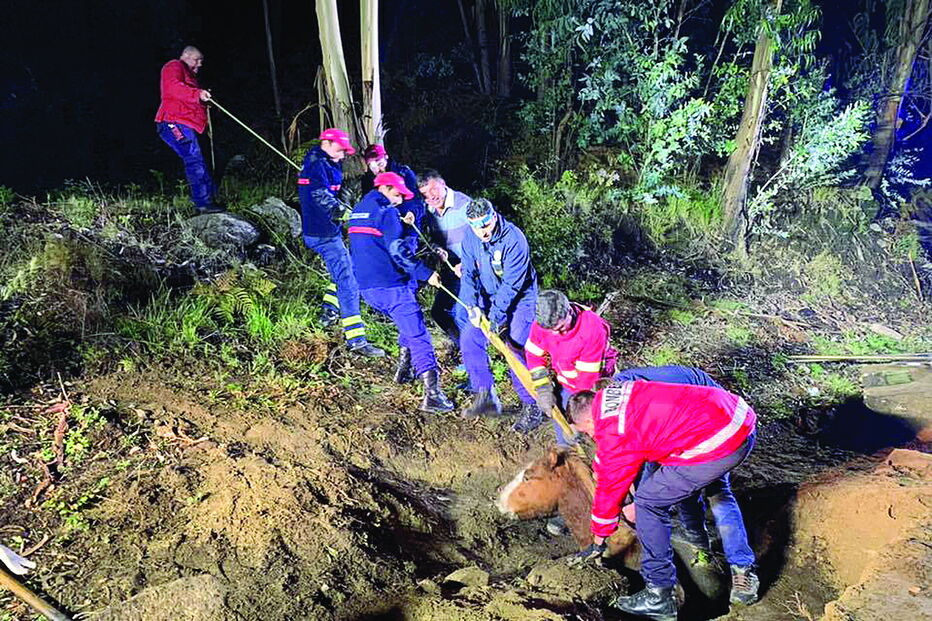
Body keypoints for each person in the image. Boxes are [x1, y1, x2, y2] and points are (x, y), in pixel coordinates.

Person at [567, 380, 759, 620]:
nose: (590, 436)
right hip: (733, 416)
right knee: (679, 486)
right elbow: (625, 449)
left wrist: (598, 538)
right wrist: (603, 463)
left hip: (719, 442)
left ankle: (659, 595)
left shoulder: (614, 432)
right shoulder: (618, 392)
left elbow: (610, 486)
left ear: (586, 421)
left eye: (586, 431)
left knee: (648, 502)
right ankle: (729, 561)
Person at [348, 172, 454, 412]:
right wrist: (426, 273)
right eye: (396, 195)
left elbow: (379, 244)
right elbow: (397, 252)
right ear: (384, 188)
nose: (398, 201)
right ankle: (433, 394)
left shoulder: (360, 210)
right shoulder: (387, 214)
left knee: (406, 319)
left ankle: (403, 370)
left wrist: (405, 227)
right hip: (391, 286)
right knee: (418, 334)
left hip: (367, 288)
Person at [298, 128, 383, 357]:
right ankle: (357, 340)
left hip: (331, 231)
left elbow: (337, 192)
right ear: (326, 142)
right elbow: (319, 196)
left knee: (344, 270)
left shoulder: (330, 161)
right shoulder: (316, 163)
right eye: (340, 149)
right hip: (322, 234)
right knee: (348, 280)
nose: (343, 154)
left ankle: (328, 313)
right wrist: (343, 213)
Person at [459, 198, 541, 430]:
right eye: (475, 226)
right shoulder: (470, 238)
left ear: (494, 217)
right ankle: (486, 397)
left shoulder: (515, 240)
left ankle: (532, 404)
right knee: (469, 339)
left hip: (520, 299)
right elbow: (468, 276)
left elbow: (511, 286)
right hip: (487, 297)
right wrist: (471, 305)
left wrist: (494, 319)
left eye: (485, 225)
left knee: (513, 346)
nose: (481, 232)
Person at [525, 290, 618, 446]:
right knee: (564, 435)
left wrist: (576, 421)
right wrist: (543, 389)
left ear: (569, 312)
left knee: (604, 435)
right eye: (552, 330)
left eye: (561, 328)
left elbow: (586, 383)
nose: (556, 334)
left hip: (596, 387)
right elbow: (534, 356)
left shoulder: (591, 328)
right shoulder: (542, 324)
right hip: (566, 383)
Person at [154, 46, 223, 214]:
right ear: (186, 56)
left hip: (186, 124)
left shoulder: (191, 78)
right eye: (196, 60)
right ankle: (202, 203)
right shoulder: (174, 66)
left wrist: (204, 103)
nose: (199, 64)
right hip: (173, 121)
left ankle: (209, 199)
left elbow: (188, 97)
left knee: (198, 158)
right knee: (193, 157)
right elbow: (172, 88)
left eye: (201, 62)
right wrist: (197, 94)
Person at [416, 169, 472, 346]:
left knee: (463, 314)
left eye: (433, 190)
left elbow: (483, 240)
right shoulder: (430, 211)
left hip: (472, 268)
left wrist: (468, 263)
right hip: (451, 268)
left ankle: (477, 356)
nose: (431, 197)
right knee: (439, 312)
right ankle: (464, 349)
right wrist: (438, 249)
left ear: (443, 184)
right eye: (425, 194)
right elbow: (434, 240)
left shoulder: (464, 205)